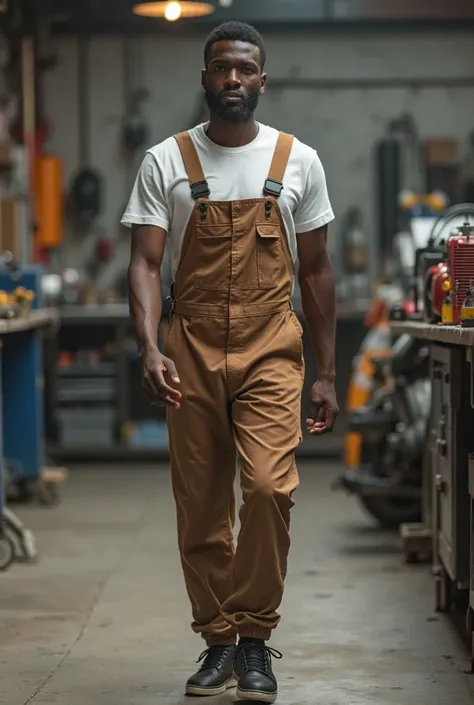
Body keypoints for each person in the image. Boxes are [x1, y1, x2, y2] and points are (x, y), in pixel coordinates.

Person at [122, 21, 338, 704]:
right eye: (221, 68)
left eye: (245, 69)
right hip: (189, 347)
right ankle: (218, 641)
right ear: (205, 78)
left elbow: (318, 272)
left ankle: (254, 636)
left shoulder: (297, 160)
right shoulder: (165, 160)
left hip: (271, 343)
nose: (234, 79)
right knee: (201, 505)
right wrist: (150, 344)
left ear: (262, 80)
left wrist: (327, 370)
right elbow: (146, 264)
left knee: (271, 488)